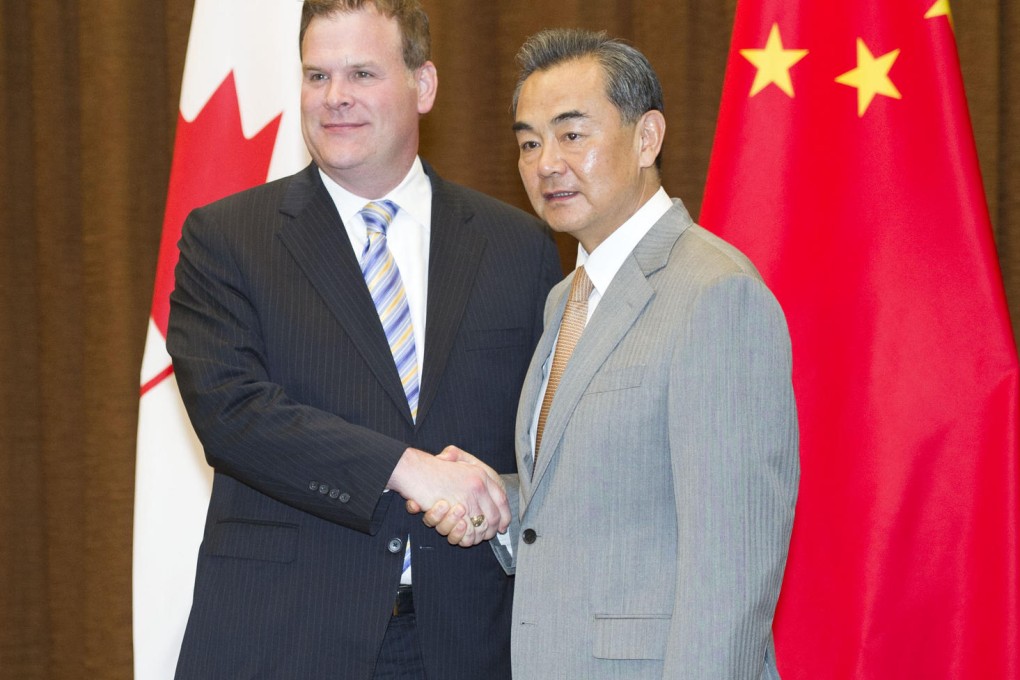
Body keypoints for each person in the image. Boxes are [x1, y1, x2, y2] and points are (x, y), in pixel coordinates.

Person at [165, 1, 562, 678]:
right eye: (317, 76)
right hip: (285, 638)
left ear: (424, 85)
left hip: (466, 642)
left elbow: (548, 438)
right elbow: (233, 415)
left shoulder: (517, 245)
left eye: (361, 74)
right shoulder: (227, 238)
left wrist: (493, 496)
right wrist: (407, 467)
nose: (335, 98)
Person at [421, 28, 799, 679]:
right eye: (529, 143)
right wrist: (503, 503)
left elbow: (732, 571)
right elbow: (603, 495)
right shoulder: (564, 298)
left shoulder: (715, 293)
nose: (546, 164)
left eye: (573, 135)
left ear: (647, 138)